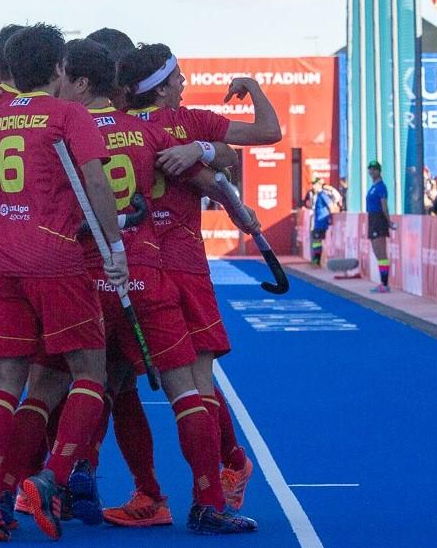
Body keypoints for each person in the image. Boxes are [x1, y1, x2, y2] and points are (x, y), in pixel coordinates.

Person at [102, 41, 279, 531]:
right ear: (160, 85)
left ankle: (173, 490)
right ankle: (202, 493)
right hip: (174, 263)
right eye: (177, 77)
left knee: (126, 382)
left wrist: (210, 160)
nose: (183, 84)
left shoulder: (120, 124)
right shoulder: (184, 122)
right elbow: (267, 133)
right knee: (189, 384)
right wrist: (216, 162)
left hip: (137, 267)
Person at [0, 23, 126, 542]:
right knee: (90, 376)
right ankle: (50, 479)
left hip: (2, 261)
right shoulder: (67, 114)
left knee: (7, 382)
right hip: (57, 260)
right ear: (59, 69)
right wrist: (115, 245)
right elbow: (96, 181)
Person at [366, 160, 396, 293]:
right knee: (377, 253)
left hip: (379, 219)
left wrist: (388, 221)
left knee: (381, 252)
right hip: (372, 218)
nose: (371, 172)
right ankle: (382, 282)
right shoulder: (373, 186)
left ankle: (385, 283)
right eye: (370, 169)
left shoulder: (381, 187)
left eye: (374, 169)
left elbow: (384, 206)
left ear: (379, 171)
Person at [308, 176, 338, 265]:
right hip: (318, 223)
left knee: (317, 241)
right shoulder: (317, 195)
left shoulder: (323, 195)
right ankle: (316, 259)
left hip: (321, 223)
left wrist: (330, 219)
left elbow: (331, 206)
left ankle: (317, 260)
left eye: (314, 184)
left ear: (319, 185)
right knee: (316, 241)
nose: (313, 186)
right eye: (312, 184)